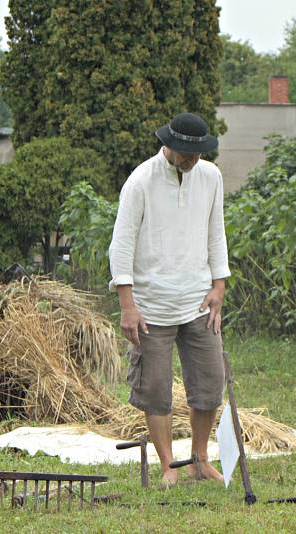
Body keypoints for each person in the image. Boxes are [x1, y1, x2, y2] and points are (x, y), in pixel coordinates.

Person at [108, 112, 230, 485]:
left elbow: (216, 232)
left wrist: (218, 287)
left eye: (197, 154)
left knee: (210, 383)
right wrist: (128, 306)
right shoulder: (141, 180)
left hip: (198, 301)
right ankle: (167, 466)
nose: (192, 160)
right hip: (151, 306)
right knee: (155, 389)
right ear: (169, 146)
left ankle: (199, 458)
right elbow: (121, 245)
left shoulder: (210, 176)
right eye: (185, 154)